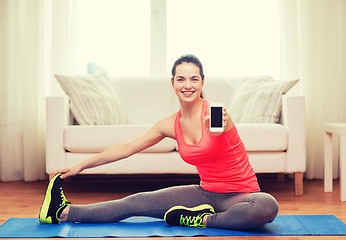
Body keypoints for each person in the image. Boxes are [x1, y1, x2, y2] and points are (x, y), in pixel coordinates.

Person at [39, 54, 279, 230]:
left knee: (267, 205)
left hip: (243, 195)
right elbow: (127, 148)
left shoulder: (218, 116)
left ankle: (202, 220)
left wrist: (220, 128)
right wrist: (80, 166)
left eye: (194, 79)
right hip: (205, 194)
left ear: (202, 83)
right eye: (181, 79)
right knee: (135, 202)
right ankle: (63, 212)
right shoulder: (169, 124)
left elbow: (220, 133)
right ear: (172, 83)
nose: (188, 85)